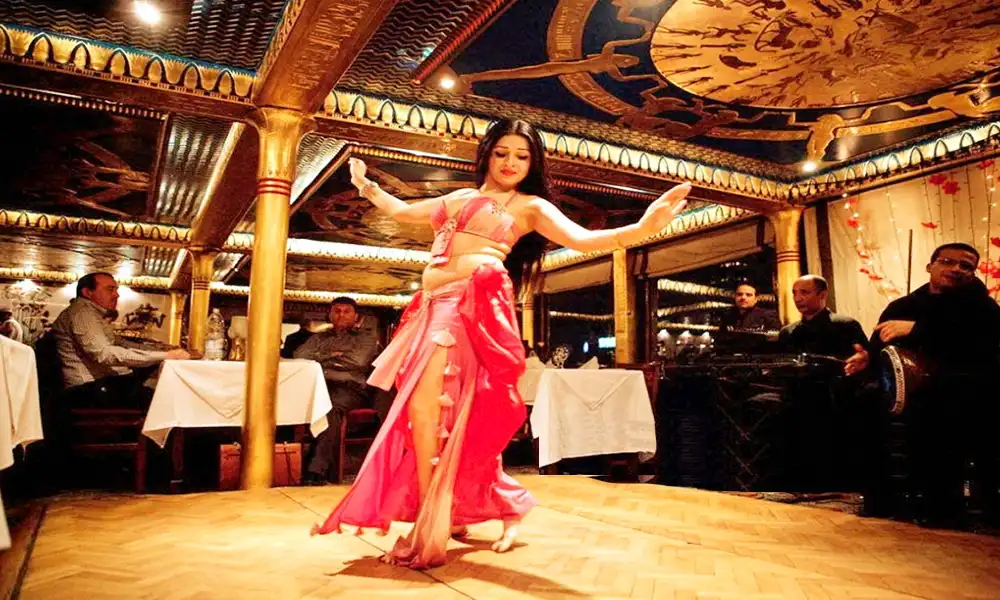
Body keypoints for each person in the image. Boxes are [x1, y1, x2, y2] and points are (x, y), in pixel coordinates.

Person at [310, 118, 690, 568]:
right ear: (487, 154)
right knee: (431, 416)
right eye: (502, 153)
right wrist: (366, 187)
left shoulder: (529, 206)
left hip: (468, 308)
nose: (511, 162)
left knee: (428, 412)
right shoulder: (458, 197)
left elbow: (586, 240)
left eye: (522, 156)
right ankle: (471, 507)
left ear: (533, 164)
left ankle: (433, 520)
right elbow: (402, 212)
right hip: (431, 308)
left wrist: (645, 226)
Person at [846, 243, 1000, 527]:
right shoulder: (903, 306)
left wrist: (916, 329)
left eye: (966, 266)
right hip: (905, 390)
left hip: (963, 388)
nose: (956, 269)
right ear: (930, 266)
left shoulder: (982, 307)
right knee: (863, 402)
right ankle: (881, 498)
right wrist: (866, 359)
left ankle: (943, 507)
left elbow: (980, 345)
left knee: (946, 408)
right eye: (948, 262)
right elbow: (879, 348)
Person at [777, 275, 869, 491]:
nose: (798, 298)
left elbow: (864, 359)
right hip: (797, 401)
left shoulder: (845, 325)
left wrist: (861, 360)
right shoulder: (788, 332)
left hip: (836, 401)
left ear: (822, 294)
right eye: (794, 293)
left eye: (804, 292)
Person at [293, 298, 379, 483]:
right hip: (319, 386)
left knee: (329, 408)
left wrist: (320, 359)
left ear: (356, 316)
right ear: (330, 315)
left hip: (351, 389)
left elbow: (357, 361)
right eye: (337, 311)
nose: (341, 315)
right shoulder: (319, 337)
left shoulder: (366, 338)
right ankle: (288, 464)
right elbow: (300, 355)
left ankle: (317, 471)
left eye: (346, 311)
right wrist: (332, 355)